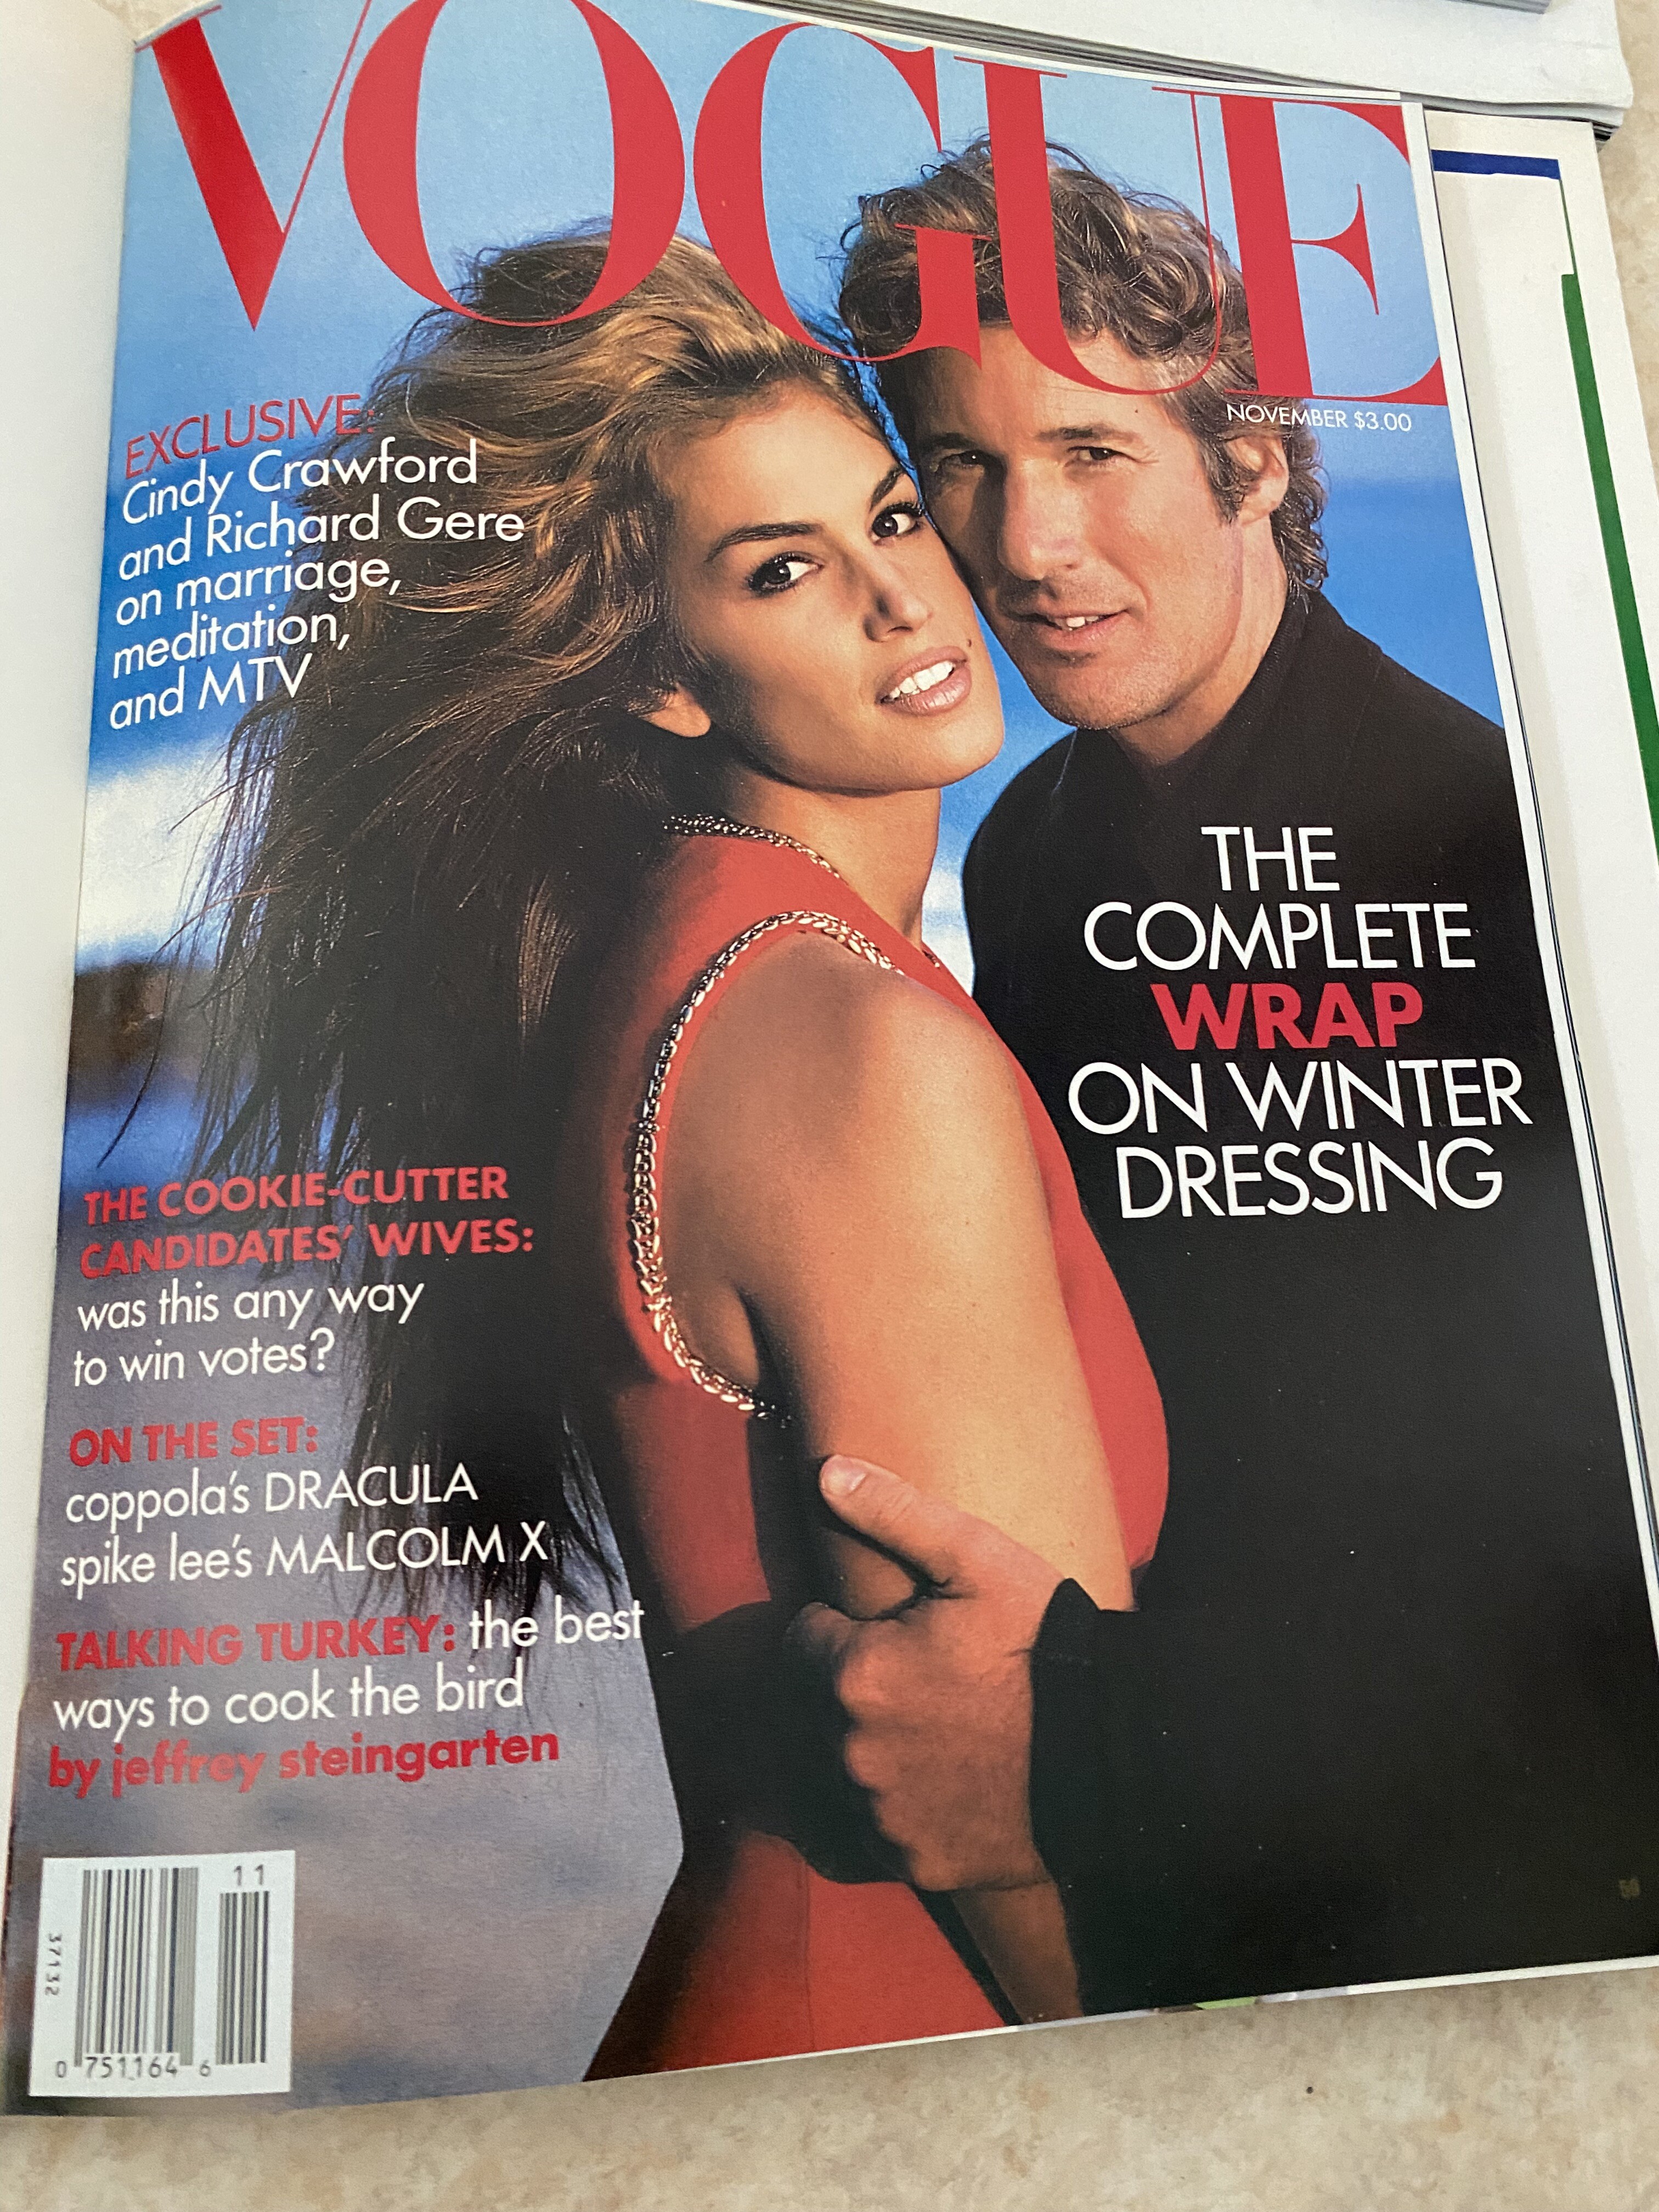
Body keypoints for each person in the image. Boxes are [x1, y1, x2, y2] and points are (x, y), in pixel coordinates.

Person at [195, 233, 1167, 2073]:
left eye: (894, 516)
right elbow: (1011, 1831)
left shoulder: (674, 957)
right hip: (912, 2075)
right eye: (783, 569)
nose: (904, 600)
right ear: (661, 677)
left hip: (784, 2039)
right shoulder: (856, 1049)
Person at [820, 143, 1659, 2004]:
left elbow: (1560, 1569)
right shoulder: (1034, 845)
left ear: (1256, 461)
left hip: (1491, 1921)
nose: (1028, 548)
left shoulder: (1490, 850)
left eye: (1092, 452)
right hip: (1216, 1865)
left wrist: (1074, 1743)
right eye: (962, 463)